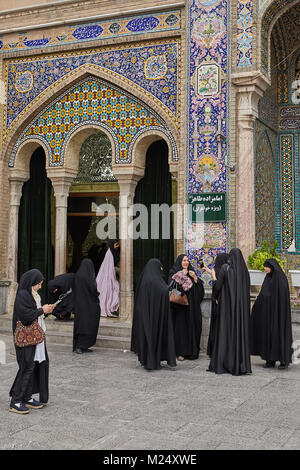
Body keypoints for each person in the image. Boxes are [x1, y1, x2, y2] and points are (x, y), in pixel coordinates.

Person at [9, 269, 54, 414]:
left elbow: (35, 314)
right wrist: (42, 310)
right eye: (38, 284)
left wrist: (45, 311)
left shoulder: (33, 295)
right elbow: (27, 315)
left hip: (35, 338)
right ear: (31, 283)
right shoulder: (23, 295)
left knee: (33, 366)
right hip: (25, 339)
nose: (40, 287)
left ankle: (26, 397)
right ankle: (15, 401)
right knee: (26, 367)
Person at [204, 248, 252, 375]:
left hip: (227, 309)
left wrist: (214, 276)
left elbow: (218, 286)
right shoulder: (245, 273)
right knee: (238, 335)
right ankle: (240, 365)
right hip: (240, 312)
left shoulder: (225, 268)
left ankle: (224, 363)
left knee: (225, 333)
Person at [131, 258, 176, 370]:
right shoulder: (156, 280)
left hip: (144, 315)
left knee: (147, 337)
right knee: (154, 336)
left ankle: (147, 360)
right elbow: (163, 291)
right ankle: (153, 362)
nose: (161, 268)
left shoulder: (144, 279)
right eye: (160, 266)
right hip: (155, 316)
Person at [250, 259, 293, 370]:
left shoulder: (281, 279)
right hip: (268, 314)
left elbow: (282, 298)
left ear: (272, 267)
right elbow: (263, 294)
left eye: (266, 267)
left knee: (279, 335)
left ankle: (284, 361)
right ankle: (270, 360)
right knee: (268, 335)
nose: (265, 269)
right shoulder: (268, 278)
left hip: (278, 315)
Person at [168, 254, 204, 361]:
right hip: (180, 309)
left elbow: (199, 291)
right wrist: (181, 276)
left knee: (192, 328)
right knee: (181, 330)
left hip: (191, 309)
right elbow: (172, 287)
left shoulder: (192, 272)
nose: (186, 262)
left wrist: (195, 278)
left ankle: (192, 352)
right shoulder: (174, 272)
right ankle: (180, 352)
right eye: (184, 260)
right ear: (179, 262)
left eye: (187, 260)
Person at [73, 259, 101, 354]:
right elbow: (93, 289)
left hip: (80, 305)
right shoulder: (88, 277)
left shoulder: (78, 275)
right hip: (89, 305)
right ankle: (81, 346)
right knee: (88, 325)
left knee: (81, 325)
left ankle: (82, 346)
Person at [207, 253, 229, 357]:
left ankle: (214, 351)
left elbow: (217, 287)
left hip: (218, 302)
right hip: (222, 303)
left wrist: (213, 276)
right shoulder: (227, 270)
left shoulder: (220, 270)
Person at [96, 241, 120, 318]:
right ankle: (109, 307)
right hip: (108, 274)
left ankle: (112, 307)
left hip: (113, 274)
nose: (117, 246)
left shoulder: (114, 251)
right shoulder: (109, 252)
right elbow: (109, 264)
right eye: (116, 244)